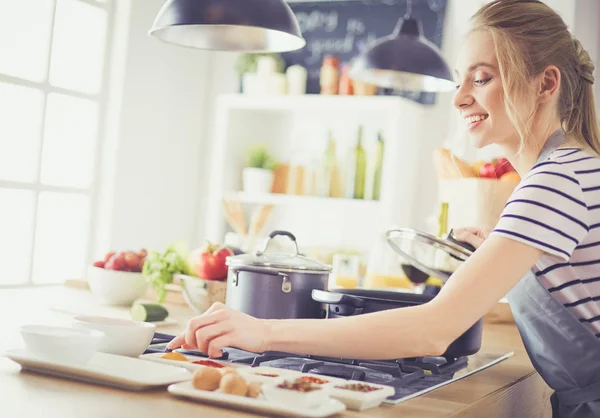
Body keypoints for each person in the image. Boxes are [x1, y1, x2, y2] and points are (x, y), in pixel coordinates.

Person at [168, 1, 600, 415]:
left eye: (482, 79)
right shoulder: (570, 168)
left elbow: (433, 330)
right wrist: (503, 253)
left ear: (545, 84)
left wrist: (262, 331)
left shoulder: (554, 179)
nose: (459, 99)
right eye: (459, 81)